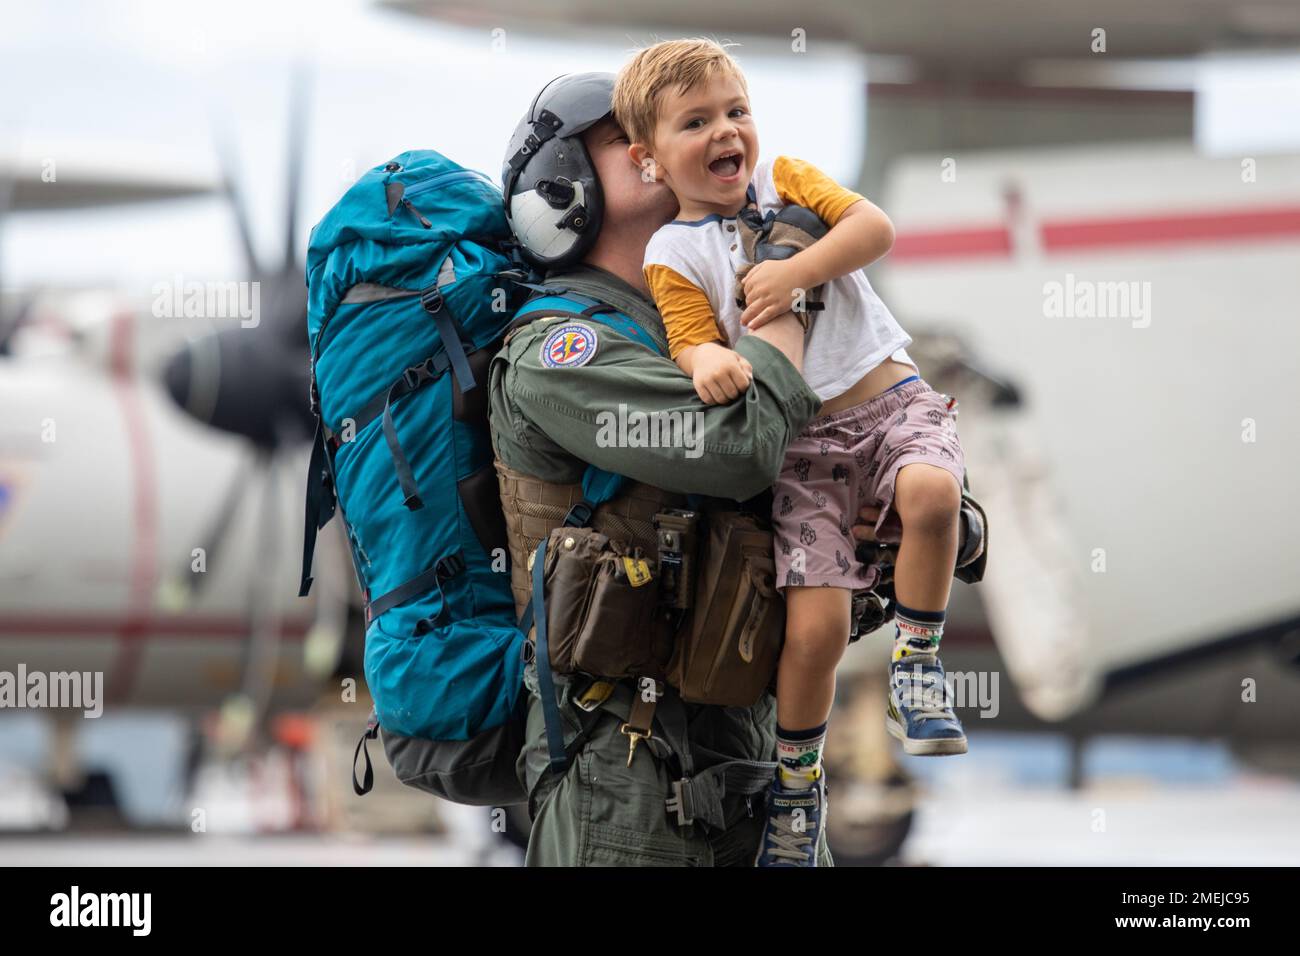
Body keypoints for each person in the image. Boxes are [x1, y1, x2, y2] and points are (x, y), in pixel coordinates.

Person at [490, 72, 982, 866]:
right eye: (630, 139)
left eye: (726, 115)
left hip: (758, 763)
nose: (704, 138)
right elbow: (740, 448)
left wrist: (923, 515)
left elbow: (853, 448)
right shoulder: (563, 353)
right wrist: (787, 287)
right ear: (566, 188)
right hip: (629, 786)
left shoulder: (704, 307)